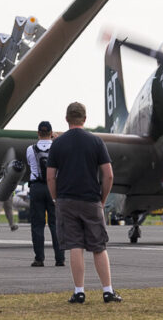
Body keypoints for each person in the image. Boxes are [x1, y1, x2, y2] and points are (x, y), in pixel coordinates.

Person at [47, 102, 120, 304]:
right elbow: (109, 175)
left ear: (67, 119)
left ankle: (79, 291)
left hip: (66, 199)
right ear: (85, 119)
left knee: (75, 245)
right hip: (91, 199)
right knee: (98, 246)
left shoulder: (58, 143)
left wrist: (55, 198)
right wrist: (102, 199)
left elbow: (51, 177)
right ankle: (107, 290)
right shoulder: (96, 142)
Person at [27, 121, 62, 266]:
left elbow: (30, 164)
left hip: (36, 187)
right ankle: (60, 258)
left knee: (37, 224)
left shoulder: (30, 149)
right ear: (51, 133)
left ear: (38, 133)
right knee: (56, 224)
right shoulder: (58, 147)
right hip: (54, 186)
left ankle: (39, 258)